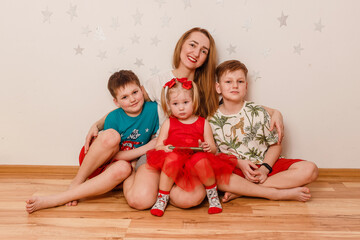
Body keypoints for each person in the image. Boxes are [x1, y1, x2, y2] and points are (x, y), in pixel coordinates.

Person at [83, 27, 285, 210]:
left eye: (204, 51)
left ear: (207, 57)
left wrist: (275, 112)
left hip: (192, 156)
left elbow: (237, 101)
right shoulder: (157, 82)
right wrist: (98, 123)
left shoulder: (207, 88)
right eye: (193, 45)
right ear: (181, 45)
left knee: (190, 200)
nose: (196, 53)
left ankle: (165, 190)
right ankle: (130, 175)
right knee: (140, 201)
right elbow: (130, 101)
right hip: (160, 151)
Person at [25, 70, 159, 213]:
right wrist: (144, 149)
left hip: (117, 168)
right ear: (116, 102)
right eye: (124, 97)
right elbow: (112, 154)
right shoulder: (114, 117)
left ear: (142, 90)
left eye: (135, 92)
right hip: (97, 160)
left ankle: (63, 197)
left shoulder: (152, 110)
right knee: (112, 137)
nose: (132, 99)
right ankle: (75, 184)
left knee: (124, 168)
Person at [209, 60, 319, 202]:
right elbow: (214, 154)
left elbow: (275, 144)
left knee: (310, 169)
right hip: (235, 170)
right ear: (218, 87)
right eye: (228, 82)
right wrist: (238, 163)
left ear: (246, 86)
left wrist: (264, 169)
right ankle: (270, 192)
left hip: (265, 165)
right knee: (211, 175)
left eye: (240, 81)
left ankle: (243, 190)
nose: (235, 85)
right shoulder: (210, 119)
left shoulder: (259, 112)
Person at [146, 78, 237, 216]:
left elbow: (213, 148)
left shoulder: (203, 122)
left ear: (194, 101)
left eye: (185, 102)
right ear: (169, 105)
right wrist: (165, 148)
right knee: (171, 159)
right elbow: (158, 145)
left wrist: (206, 147)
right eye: (175, 104)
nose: (181, 107)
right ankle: (162, 198)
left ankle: (213, 196)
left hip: (196, 164)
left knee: (201, 159)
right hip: (176, 161)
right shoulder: (169, 123)